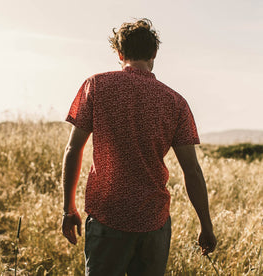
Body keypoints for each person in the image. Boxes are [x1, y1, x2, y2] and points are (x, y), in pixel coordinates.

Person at [61, 18, 216, 276]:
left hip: (107, 215)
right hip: (152, 221)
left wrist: (69, 208)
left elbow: (73, 149)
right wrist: (206, 226)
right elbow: (192, 170)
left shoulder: (96, 86)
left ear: (120, 53)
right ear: (154, 54)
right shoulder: (175, 102)